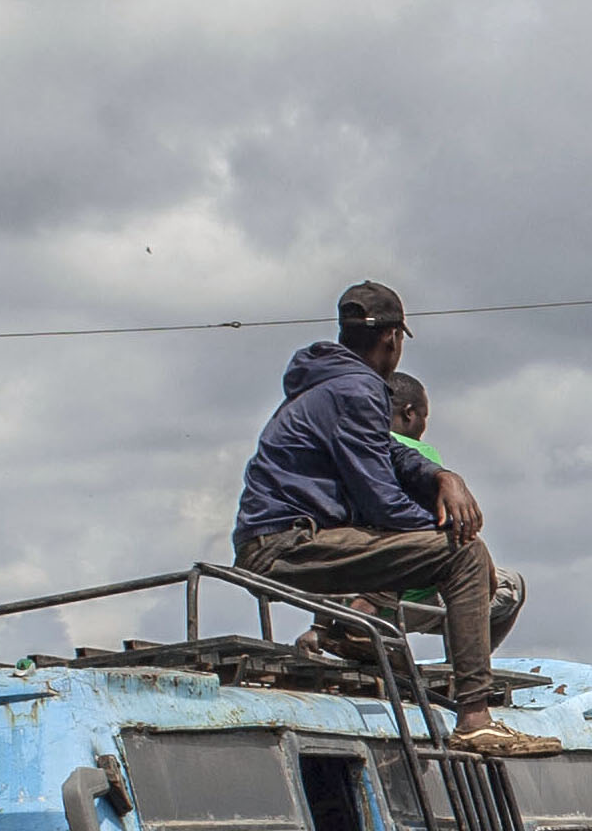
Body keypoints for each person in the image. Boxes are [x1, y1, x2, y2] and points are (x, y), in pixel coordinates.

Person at [231, 282, 549, 756]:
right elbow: (381, 500)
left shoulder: (329, 383)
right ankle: (476, 717)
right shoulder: (356, 389)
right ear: (393, 340)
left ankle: (354, 631)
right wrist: (453, 530)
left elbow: (390, 454)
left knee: (415, 544)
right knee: (462, 555)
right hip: (287, 544)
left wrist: (443, 476)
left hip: (283, 536)